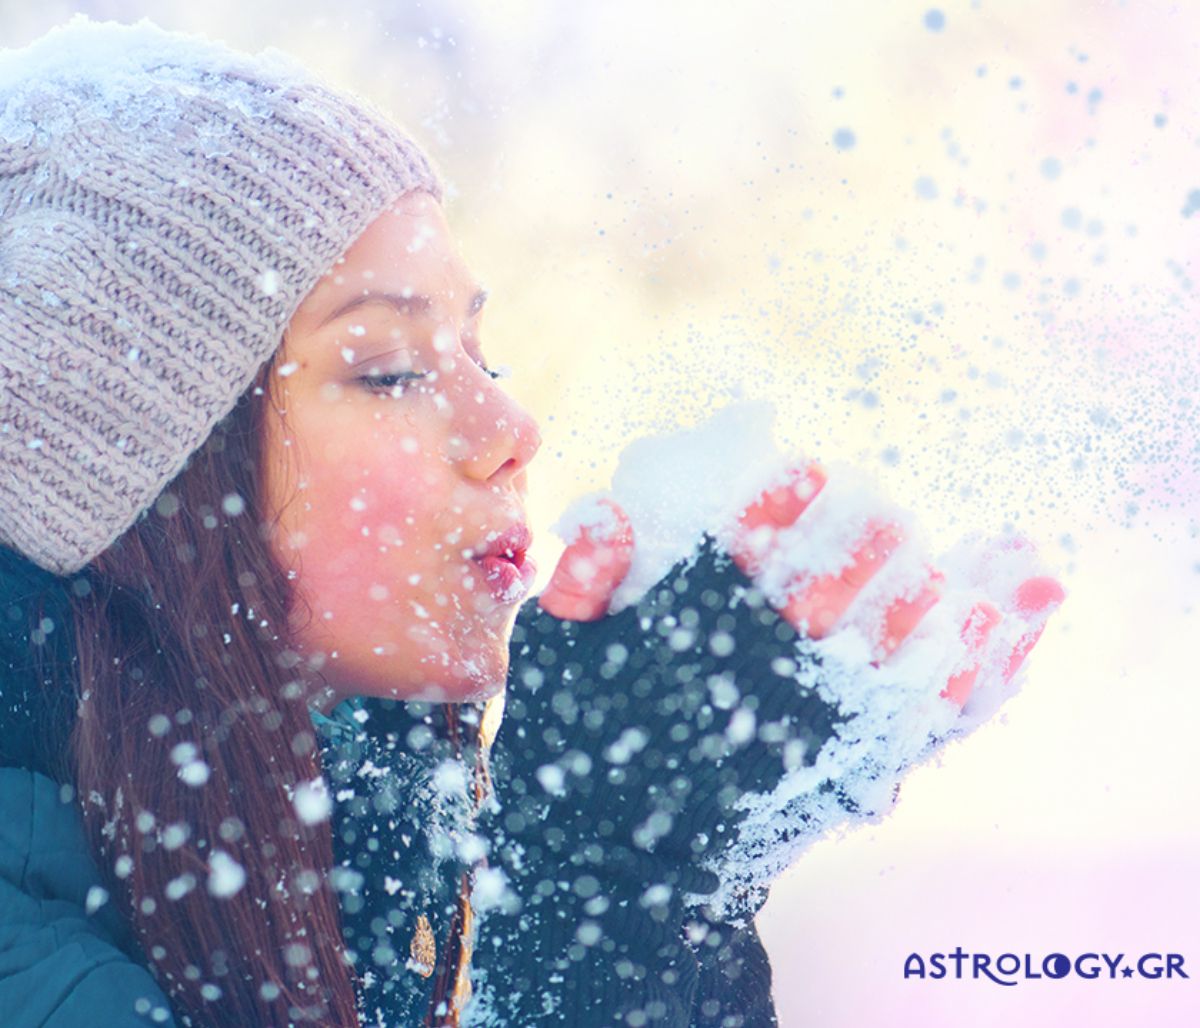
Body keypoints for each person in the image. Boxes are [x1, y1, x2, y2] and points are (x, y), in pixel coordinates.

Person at [0, 15, 1063, 1028]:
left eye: (478, 353)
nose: (511, 426)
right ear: (139, 481)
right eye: (389, 369)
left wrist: (698, 866)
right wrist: (601, 879)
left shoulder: (321, 809)